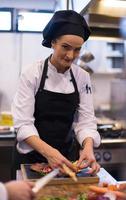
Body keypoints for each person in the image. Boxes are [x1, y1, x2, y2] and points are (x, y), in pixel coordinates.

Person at [12, 10, 101, 175]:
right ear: (53, 42)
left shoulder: (82, 77)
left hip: (66, 159)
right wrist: (49, 153)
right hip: (31, 159)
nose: (70, 56)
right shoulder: (32, 73)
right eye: (65, 47)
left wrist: (87, 147)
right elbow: (23, 124)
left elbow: (86, 121)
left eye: (77, 50)